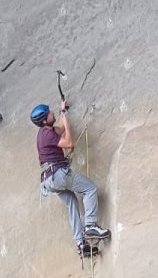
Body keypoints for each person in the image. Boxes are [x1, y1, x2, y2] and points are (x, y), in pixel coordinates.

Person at [31, 100, 111, 259]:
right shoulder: (47, 134)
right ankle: (91, 226)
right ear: (44, 120)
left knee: (72, 203)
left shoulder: (44, 132)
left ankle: (81, 244)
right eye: (49, 113)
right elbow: (68, 143)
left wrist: (63, 112)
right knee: (89, 189)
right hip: (58, 174)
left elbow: (60, 128)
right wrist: (66, 123)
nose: (52, 113)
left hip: (49, 181)